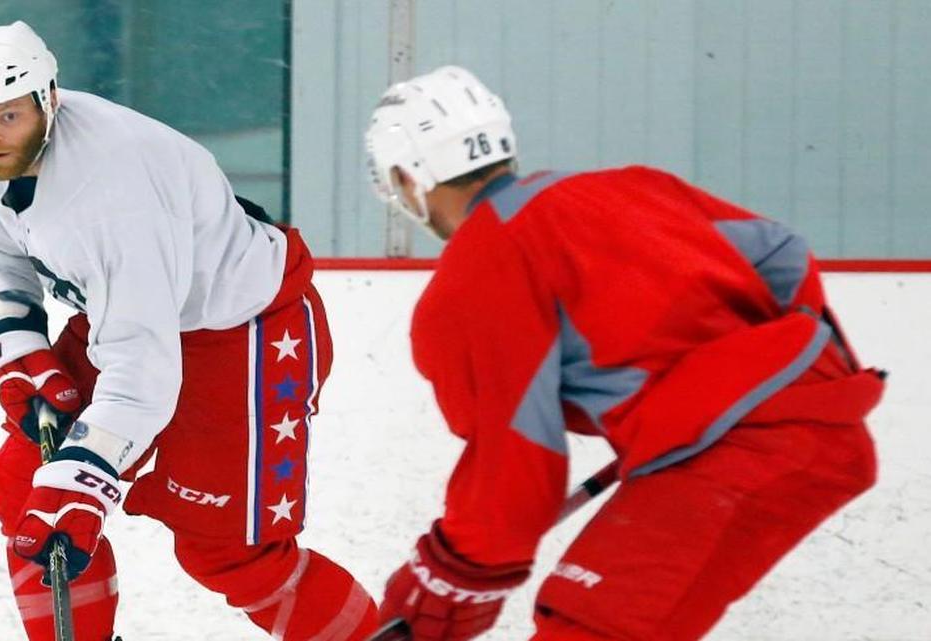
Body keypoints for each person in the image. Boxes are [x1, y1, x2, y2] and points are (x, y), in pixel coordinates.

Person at [363, 65, 885, 641]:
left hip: (739, 453)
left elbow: (514, 458)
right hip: (823, 431)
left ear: (411, 177)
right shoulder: (633, 188)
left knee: (586, 623)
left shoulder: (476, 273)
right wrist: (773, 382)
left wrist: (452, 572)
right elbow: (783, 257)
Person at [0, 21, 378, 641]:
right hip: (126, 311)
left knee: (229, 555)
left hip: (240, 331)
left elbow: (144, 369)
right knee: (22, 485)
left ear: (48, 100)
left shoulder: (109, 191)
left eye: (8, 116)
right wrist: (19, 347)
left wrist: (83, 480)